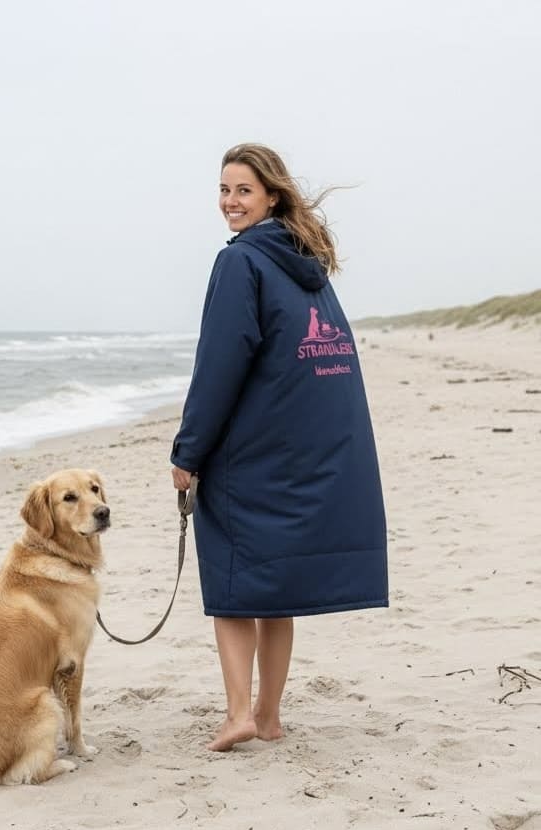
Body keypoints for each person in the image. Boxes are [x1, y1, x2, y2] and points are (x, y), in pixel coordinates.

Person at [170, 144, 388, 752]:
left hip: (253, 453)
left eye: (243, 190)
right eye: (223, 190)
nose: (230, 202)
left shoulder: (240, 262)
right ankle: (267, 716)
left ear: (271, 195)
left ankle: (241, 712)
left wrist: (188, 452)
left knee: (236, 581)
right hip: (301, 448)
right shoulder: (305, 264)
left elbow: (220, 364)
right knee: (274, 588)